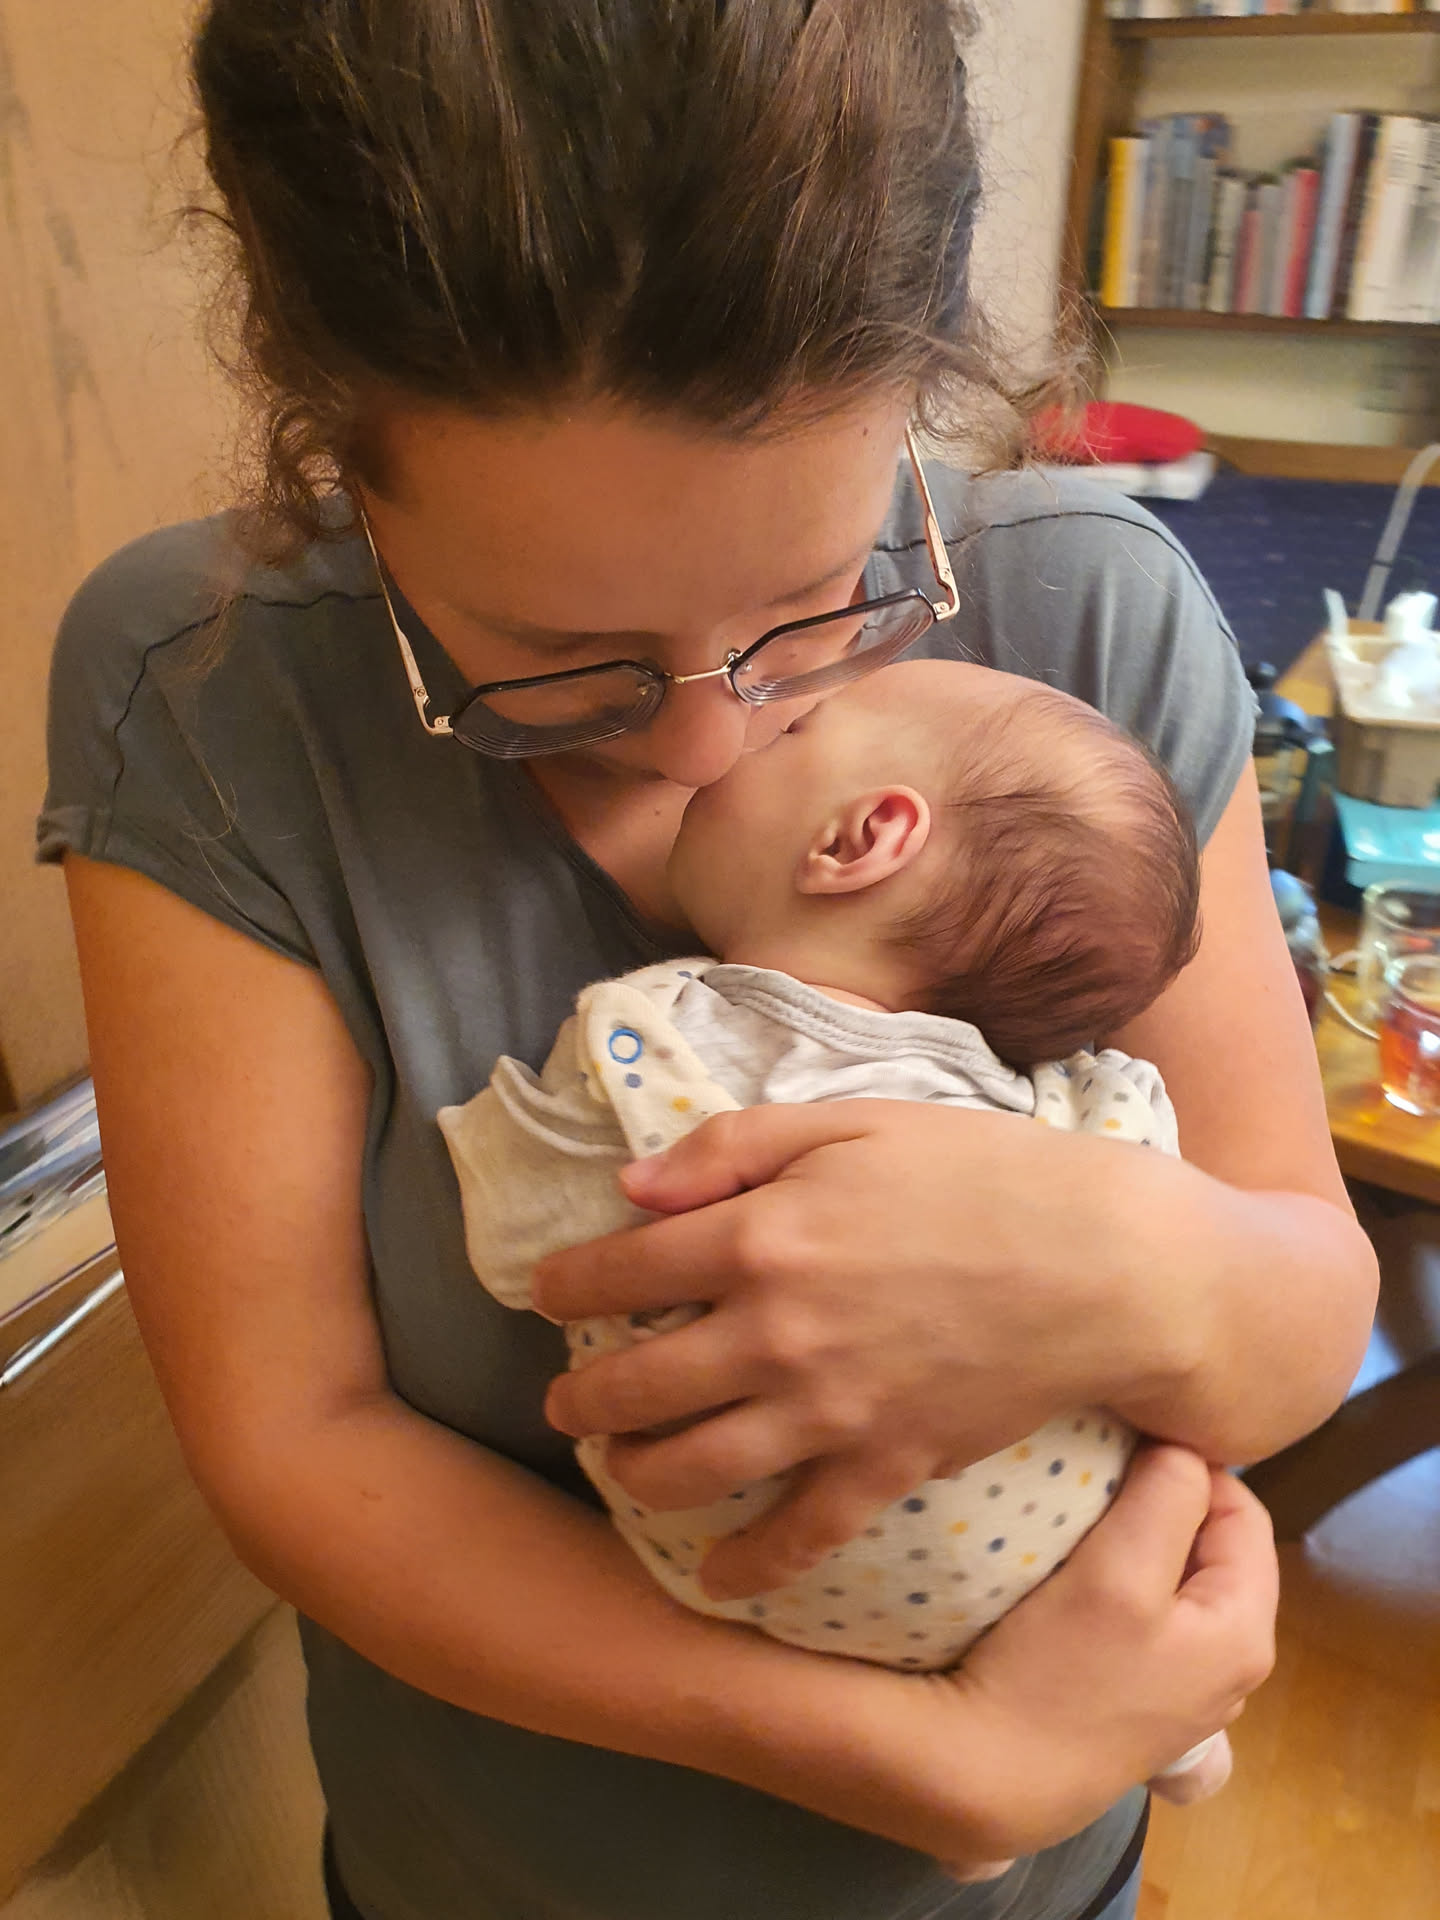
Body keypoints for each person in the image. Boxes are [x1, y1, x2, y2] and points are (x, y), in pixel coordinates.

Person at [40, 5, 1374, 1919]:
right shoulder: (207, 683)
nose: (702, 742)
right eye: (549, 650)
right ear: (333, 442)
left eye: (818, 602)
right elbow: (293, 1440)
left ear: (919, 394)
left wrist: (1111, 1260)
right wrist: (933, 1754)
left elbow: (1308, 1304)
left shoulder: (1085, 614)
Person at [439, 658, 1235, 1841]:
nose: (718, 745)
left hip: (746, 1569)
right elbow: (1169, 1227)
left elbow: (517, 1250)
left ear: (860, 838)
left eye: (793, 727)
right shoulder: (1062, 1103)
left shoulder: (656, 1044)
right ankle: (1168, 1731)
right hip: (1050, 1559)